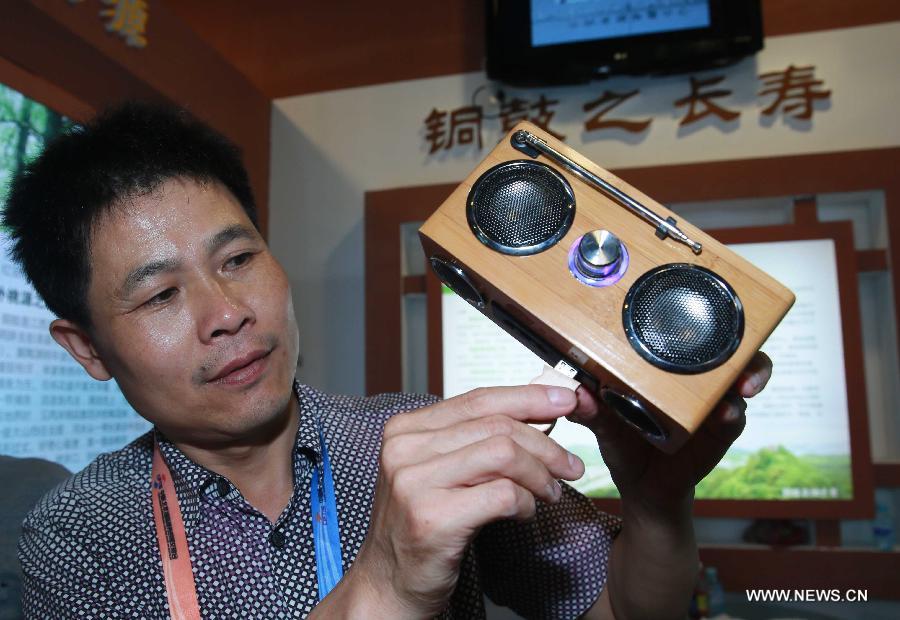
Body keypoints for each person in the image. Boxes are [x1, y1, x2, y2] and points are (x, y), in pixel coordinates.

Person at [3, 102, 772, 619]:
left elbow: (618, 611)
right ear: (87, 348)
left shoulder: (417, 439)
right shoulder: (76, 539)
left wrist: (658, 504)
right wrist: (384, 586)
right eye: (161, 296)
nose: (226, 313)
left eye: (237, 258)